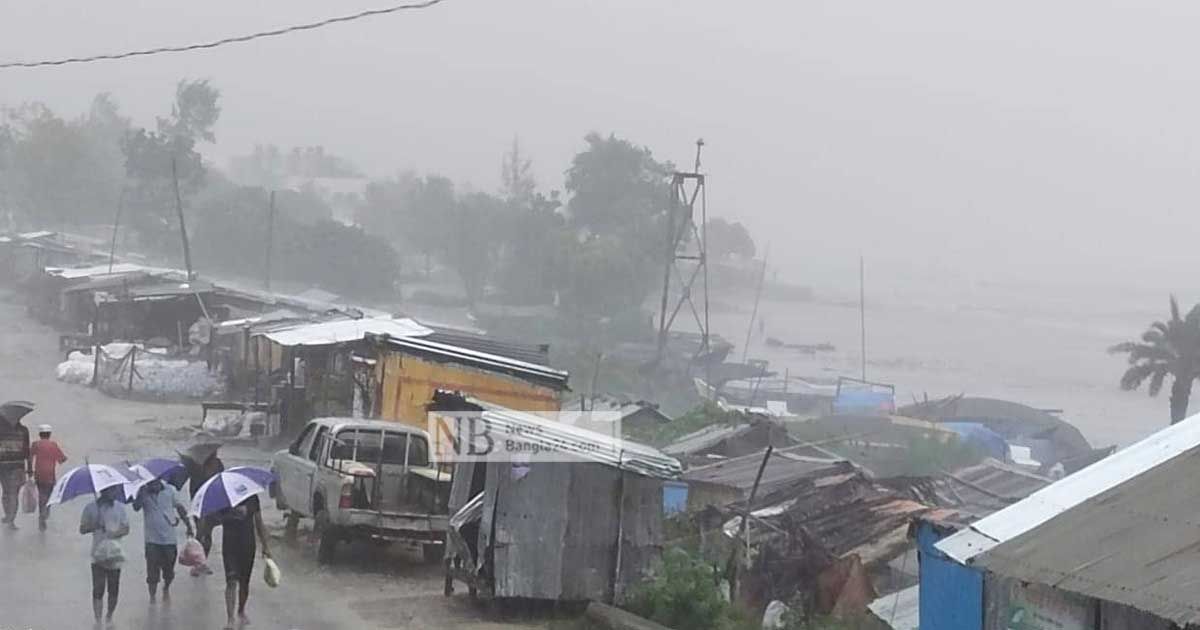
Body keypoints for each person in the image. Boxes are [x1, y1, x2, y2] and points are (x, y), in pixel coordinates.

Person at [215, 495, 273, 629]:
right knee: (230, 581)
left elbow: (259, 522)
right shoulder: (224, 498)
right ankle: (230, 619)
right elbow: (215, 519)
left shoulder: (252, 498)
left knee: (244, 583)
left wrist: (265, 546)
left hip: (248, 545)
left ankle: (241, 610)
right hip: (229, 545)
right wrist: (231, 514)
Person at [132, 478, 193, 603]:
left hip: (169, 539)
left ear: (159, 480)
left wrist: (189, 525)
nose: (152, 484)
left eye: (154, 481)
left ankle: (166, 587)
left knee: (169, 571)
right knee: (152, 573)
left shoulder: (169, 490)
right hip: (151, 540)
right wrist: (142, 494)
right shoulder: (143, 492)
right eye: (150, 482)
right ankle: (152, 598)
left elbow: (180, 508)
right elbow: (136, 507)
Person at [80, 485, 130, 627]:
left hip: (115, 554)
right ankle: (98, 621)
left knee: (114, 589)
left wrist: (113, 533)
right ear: (104, 490)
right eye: (112, 490)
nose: (115, 493)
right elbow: (82, 529)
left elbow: (126, 528)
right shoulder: (91, 508)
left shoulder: (120, 508)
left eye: (116, 490)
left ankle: (109, 616)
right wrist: (95, 525)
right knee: (98, 589)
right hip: (97, 555)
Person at [189, 453, 224, 576]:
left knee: (208, 534)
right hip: (199, 504)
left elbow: (222, 481)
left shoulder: (218, 464)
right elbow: (193, 487)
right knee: (200, 534)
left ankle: (202, 563)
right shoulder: (197, 466)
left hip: (213, 504)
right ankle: (195, 564)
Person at [29, 424, 67, 530]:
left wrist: (29, 471)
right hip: (50, 475)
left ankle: (42, 514)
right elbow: (62, 459)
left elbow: (30, 457)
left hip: (39, 475)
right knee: (49, 496)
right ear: (49, 434)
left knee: (42, 494)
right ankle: (45, 514)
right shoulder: (53, 445)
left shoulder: (35, 444)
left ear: (40, 434)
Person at [0, 413, 32, 529]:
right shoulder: (24, 431)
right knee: (14, 494)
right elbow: (27, 451)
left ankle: (8, 515)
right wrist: (29, 469)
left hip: (2, 466)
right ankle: (11, 519)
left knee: (6, 492)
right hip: (18, 467)